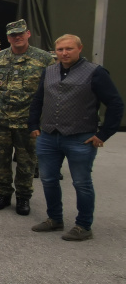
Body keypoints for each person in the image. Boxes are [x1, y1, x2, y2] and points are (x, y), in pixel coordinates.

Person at [28, 34, 123, 241]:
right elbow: (38, 99)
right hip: (48, 136)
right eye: (60, 49)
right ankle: (54, 219)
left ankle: (83, 225)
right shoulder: (49, 71)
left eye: (69, 49)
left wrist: (103, 134)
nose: (64, 53)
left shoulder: (95, 72)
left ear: (80, 48)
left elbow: (115, 103)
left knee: (81, 182)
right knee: (48, 179)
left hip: (80, 137)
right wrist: (33, 125)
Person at [0, 19, 55, 215]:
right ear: (8, 37)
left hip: (28, 121)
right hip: (0, 119)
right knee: (1, 159)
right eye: (13, 35)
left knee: (26, 161)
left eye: (20, 33)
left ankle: (23, 197)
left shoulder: (44, 59)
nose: (17, 37)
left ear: (28, 34)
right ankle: (3, 193)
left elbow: (52, 90)